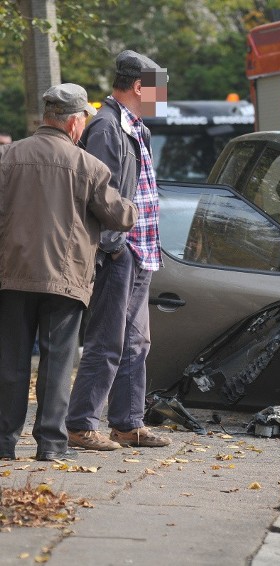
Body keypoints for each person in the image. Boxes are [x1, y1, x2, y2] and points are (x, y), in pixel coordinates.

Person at [0, 84, 138, 461]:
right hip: (65, 280)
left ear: (47, 117)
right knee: (57, 364)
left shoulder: (8, 157)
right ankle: (50, 444)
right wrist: (134, 206)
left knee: (10, 362)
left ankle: (4, 443)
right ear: (75, 122)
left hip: (11, 276)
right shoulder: (87, 166)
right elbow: (119, 216)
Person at [66, 50, 171, 451]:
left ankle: (128, 424)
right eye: (158, 89)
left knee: (136, 342)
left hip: (140, 251)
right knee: (107, 341)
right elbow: (97, 193)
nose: (162, 98)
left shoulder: (133, 125)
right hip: (121, 251)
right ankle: (80, 425)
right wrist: (112, 248)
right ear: (140, 86)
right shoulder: (108, 127)